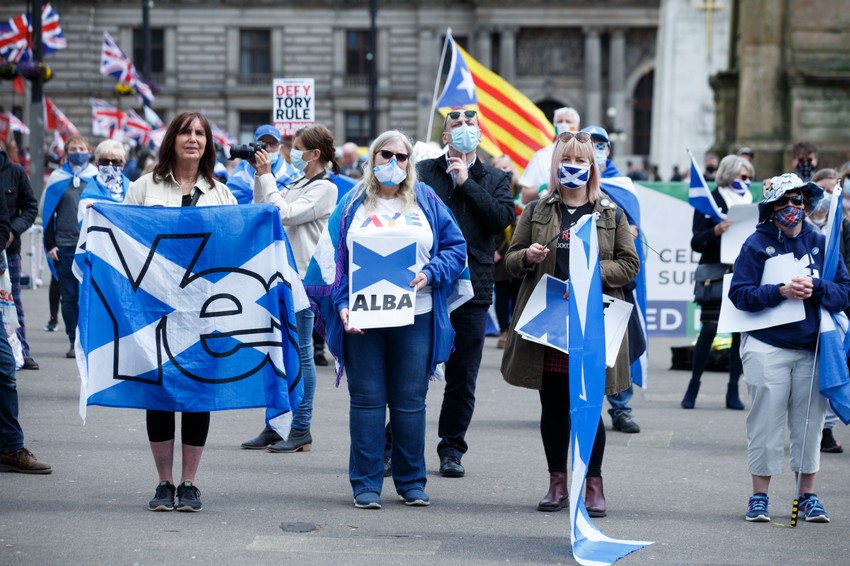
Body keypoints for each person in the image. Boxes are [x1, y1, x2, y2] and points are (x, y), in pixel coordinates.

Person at [305, 130, 467, 509]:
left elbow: (456, 248)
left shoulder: (426, 201)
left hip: (417, 316)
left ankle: (411, 481)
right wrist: (342, 306)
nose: (393, 163)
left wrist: (431, 273)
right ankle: (365, 483)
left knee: (410, 401)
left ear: (410, 163)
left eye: (401, 156)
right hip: (363, 321)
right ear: (372, 159)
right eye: (385, 155)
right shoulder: (351, 206)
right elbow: (332, 268)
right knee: (367, 401)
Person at [501, 130, 640, 515]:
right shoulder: (538, 210)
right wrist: (528, 255)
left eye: (581, 161)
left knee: (589, 403)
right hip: (549, 320)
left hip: (592, 320)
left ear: (592, 167)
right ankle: (557, 482)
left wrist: (590, 275)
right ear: (556, 166)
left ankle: (593, 484)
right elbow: (510, 261)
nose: (573, 167)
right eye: (567, 160)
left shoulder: (610, 213)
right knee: (554, 404)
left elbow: (630, 265)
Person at [124, 111, 238, 512]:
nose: (193, 139)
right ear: (172, 139)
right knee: (159, 392)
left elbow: (236, 247)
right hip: (153, 308)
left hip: (203, 309)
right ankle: (163, 483)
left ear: (208, 143)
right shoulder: (143, 187)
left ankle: (189, 483)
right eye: (186, 132)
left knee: (195, 393)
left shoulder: (221, 193)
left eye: (200, 134)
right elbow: (122, 240)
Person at [730, 173, 850, 523]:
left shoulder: (822, 243)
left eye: (797, 200)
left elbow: (844, 292)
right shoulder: (756, 244)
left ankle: (807, 496)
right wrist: (779, 291)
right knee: (765, 422)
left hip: (812, 350)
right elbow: (740, 295)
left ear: (807, 204)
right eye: (782, 202)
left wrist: (817, 288)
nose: (790, 208)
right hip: (768, 346)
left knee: (810, 424)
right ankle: (759, 497)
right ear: (770, 208)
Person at [417, 109, 514, 477]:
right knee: (414, 368)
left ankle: (452, 449)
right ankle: (396, 446)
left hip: (474, 286)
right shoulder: (424, 172)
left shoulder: (495, 177)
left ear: (480, 133)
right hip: (428, 284)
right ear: (445, 137)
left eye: (469, 125)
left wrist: (466, 183)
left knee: (462, 375)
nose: (463, 130)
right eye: (455, 126)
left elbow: (500, 220)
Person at [241, 124, 339, 453]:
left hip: (304, 279)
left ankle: (301, 428)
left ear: (314, 154)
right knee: (277, 351)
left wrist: (268, 176)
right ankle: (276, 423)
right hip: (282, 275)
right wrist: (260, 176)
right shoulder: (300, 182)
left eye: (295, 148)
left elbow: (286, 214)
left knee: (301, 355)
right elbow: (264, 207)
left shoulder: (325, 188)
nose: (288, 153)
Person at [581, 125, 644, 433]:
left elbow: (633, 234)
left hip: (613, 280)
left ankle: (621, 408)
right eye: (589, 143)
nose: (596, 149)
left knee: (619, 346)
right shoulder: (566, 184)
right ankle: (577, 405)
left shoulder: (622, 186)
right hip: (575, 281)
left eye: (601, 144)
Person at [682, 154, 754, 410]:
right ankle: (693, 386)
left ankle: (733, 390)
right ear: (728, 173)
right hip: (714, 272)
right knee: (709, 330)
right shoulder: (710, 200)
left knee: (738, 334)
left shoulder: (750, 203)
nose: (745, 182)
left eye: (748, 178)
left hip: (742, 273)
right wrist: (716, 231)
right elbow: (696, 240)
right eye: (741, 176)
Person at [0, 185, 51, 474]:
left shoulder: (13, 173)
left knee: (6, 365)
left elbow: (9, 218)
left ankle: (9, 447)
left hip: (4, 266)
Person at [42, 136, 99, 358]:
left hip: (90, 244)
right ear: (66, 152)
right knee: (69, 295)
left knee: (90, 295)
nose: (78, 152)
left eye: (82, 148)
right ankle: (73, 340)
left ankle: (87, 340)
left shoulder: (95, 178)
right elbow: (48, 214)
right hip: (64, 245)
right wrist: (50, 244)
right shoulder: (57, 178)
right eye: (73, 148)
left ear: (89, 151)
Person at [810, 168, 847, 454]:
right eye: (823, 189)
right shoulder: (801, 226)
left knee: (836, 367)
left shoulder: (842, 226)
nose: (829, 197)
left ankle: (827, 430)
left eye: (835, 190)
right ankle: (811, 428)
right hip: (808, 311)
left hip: (835, 305)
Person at [0, 142, 39, 370]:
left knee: (11, 301)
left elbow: (31, 207)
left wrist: (13, 231)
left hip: (9, 251)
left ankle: (22, 351)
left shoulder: (15, 172)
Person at [489, 154, 521, 349]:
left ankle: (517, 330)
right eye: (500, 168)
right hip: (498, 255)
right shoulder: (490, 189)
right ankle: (504, 330)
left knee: (518, 293)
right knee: (501, 294)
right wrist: (491, 249)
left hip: (518, 253)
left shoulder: (522, 193)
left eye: (507, 168)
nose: (505, 172)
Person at [518, 107, 581, 205]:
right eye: (559, 121)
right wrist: (546, 186)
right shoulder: (541, 156)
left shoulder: (584, 154)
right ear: (554, 126)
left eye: (568, 121)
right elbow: (525, 197)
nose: (563, 124)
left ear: (577, 127)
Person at [226, 125, 301, 204]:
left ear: (280, 148)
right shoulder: (242, 169)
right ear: (253, 146)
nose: (268, 149)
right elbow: (232, 199)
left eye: (273, 144)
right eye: (262, 144)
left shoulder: (292, 173)